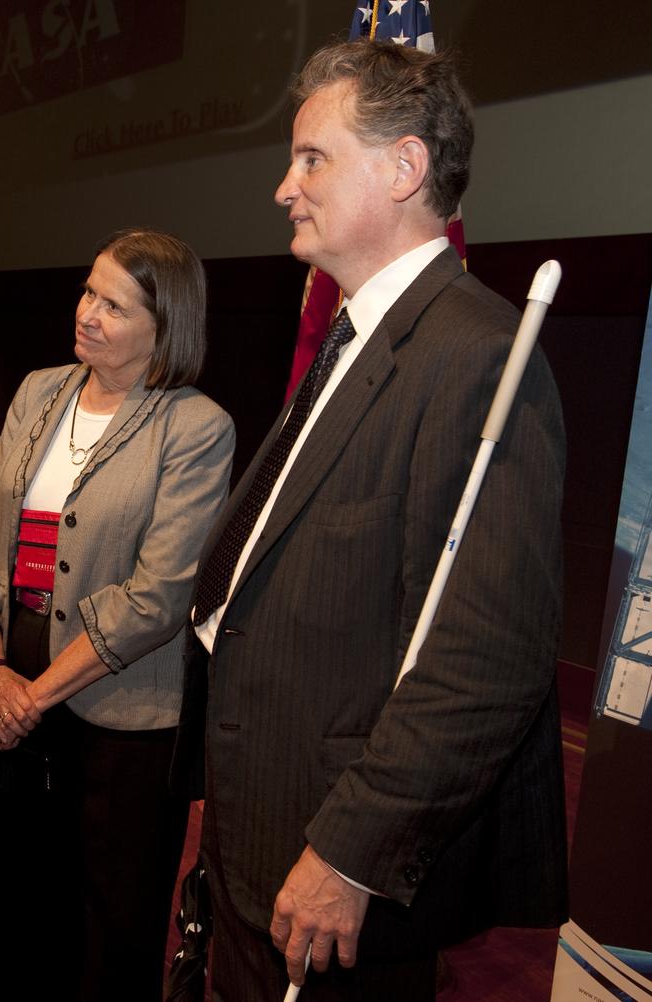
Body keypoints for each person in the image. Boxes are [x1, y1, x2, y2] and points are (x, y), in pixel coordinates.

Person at [179, 40, 568, 1001]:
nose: (283, 188)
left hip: (336, 862)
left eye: (311, 158)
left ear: (404, 169)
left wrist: (353, 852)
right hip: (257, 823)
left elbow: (488, 659)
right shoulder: (357, 336)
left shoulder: (476, 357)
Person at [0, 228, 235, 1000]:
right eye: (88, 291)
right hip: (11, 687)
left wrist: (31, 696)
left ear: (165, 325)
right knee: (21, 907)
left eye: (113, 305)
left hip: (124, 722)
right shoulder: (37, 391)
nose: (87, 313)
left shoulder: (195, 427)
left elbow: (158, 593)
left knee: (109, 928)